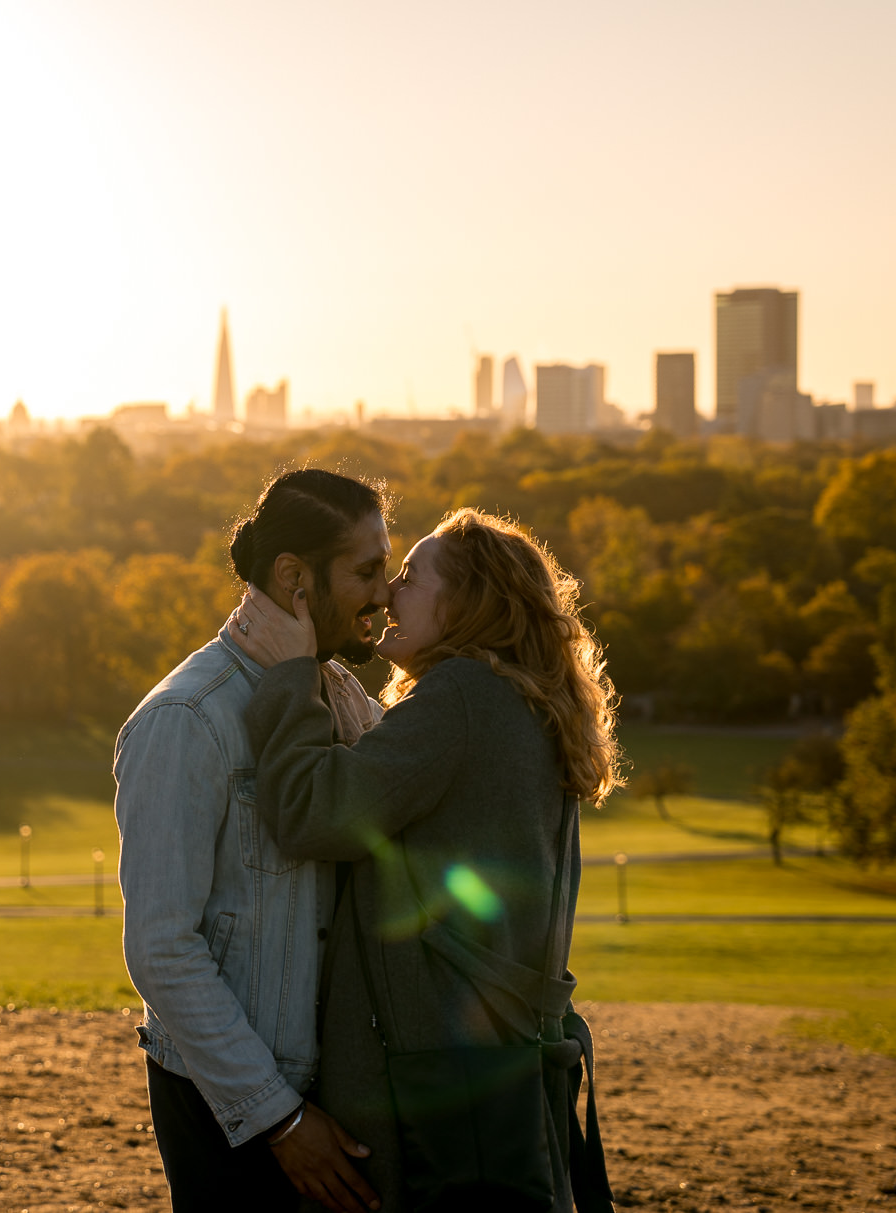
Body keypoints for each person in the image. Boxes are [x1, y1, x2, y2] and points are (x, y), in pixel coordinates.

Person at [229, 507, 620, 1212]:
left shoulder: (463, 698)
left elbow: (310, 812)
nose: (386, 595)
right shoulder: (521, 702)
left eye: (409, 577)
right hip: (495, 1070)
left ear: (468, 603)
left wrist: (289, 675)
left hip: (432, 1084)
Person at [113, 468, 394, 1213]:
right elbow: (162, 948)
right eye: (368, 572)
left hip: (334, 1100)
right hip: (231, 1112)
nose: (385, 594)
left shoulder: (335, 693)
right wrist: (280, 1118)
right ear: (294, 576)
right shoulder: (186, 718)